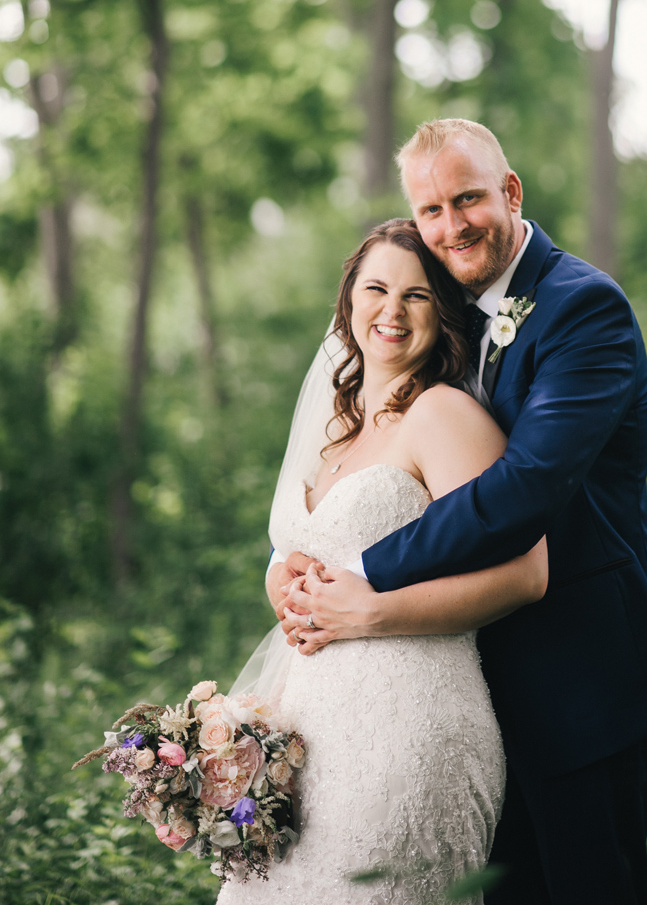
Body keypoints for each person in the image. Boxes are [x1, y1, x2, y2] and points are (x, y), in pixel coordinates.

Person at [274, 118, 647, 905]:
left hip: (580, 677)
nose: (450, 225)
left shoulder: (583, 309)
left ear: (510, 192)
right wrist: (295, 566)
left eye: (467, 199)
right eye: (430, 209)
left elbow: (527, 485)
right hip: (464, 688)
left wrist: (362, 572)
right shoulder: (445, 311)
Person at [220, 217, 547, 904]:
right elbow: (301, 551)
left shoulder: (443, 416)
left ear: (444, 313)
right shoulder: (335, 429)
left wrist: (372, 614)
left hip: (408, 729)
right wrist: (282, 578)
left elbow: (526, 571)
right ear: (348, 302)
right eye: (376, 289)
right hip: (307, 732)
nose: (392, 312)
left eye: (417, 296)